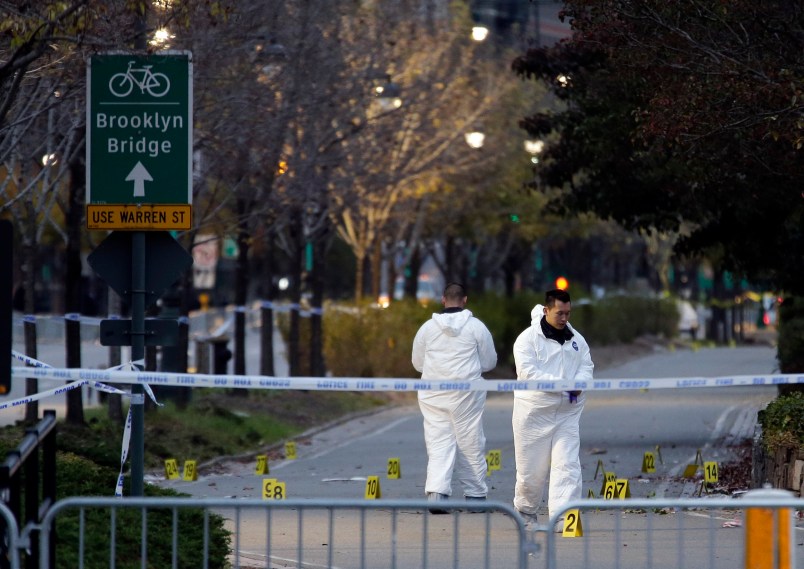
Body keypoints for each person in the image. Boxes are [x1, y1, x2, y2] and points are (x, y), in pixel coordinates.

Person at [511, 289, 594, 531]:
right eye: (560, 313)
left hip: (567, 414)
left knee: (567, 466)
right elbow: (529, 373)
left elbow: (586, 365)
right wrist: (564, 386)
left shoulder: (576, 340)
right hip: (533, 414)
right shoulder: (527, 340)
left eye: (568, 313)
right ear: (546, 310)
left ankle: (564, 518)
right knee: (530, 471)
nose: (564, 318)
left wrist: (579, 383)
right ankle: (526, 512)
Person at [412, 282, 497, 513]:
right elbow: (490, 362)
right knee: (471, 441)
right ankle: (476, 496)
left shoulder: (427, 329)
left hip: (433, 394)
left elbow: (417, 363)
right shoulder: (477, 327)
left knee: (438, 442)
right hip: (466, 394)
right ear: (465, 300)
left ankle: (437, 494)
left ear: (443, 300)